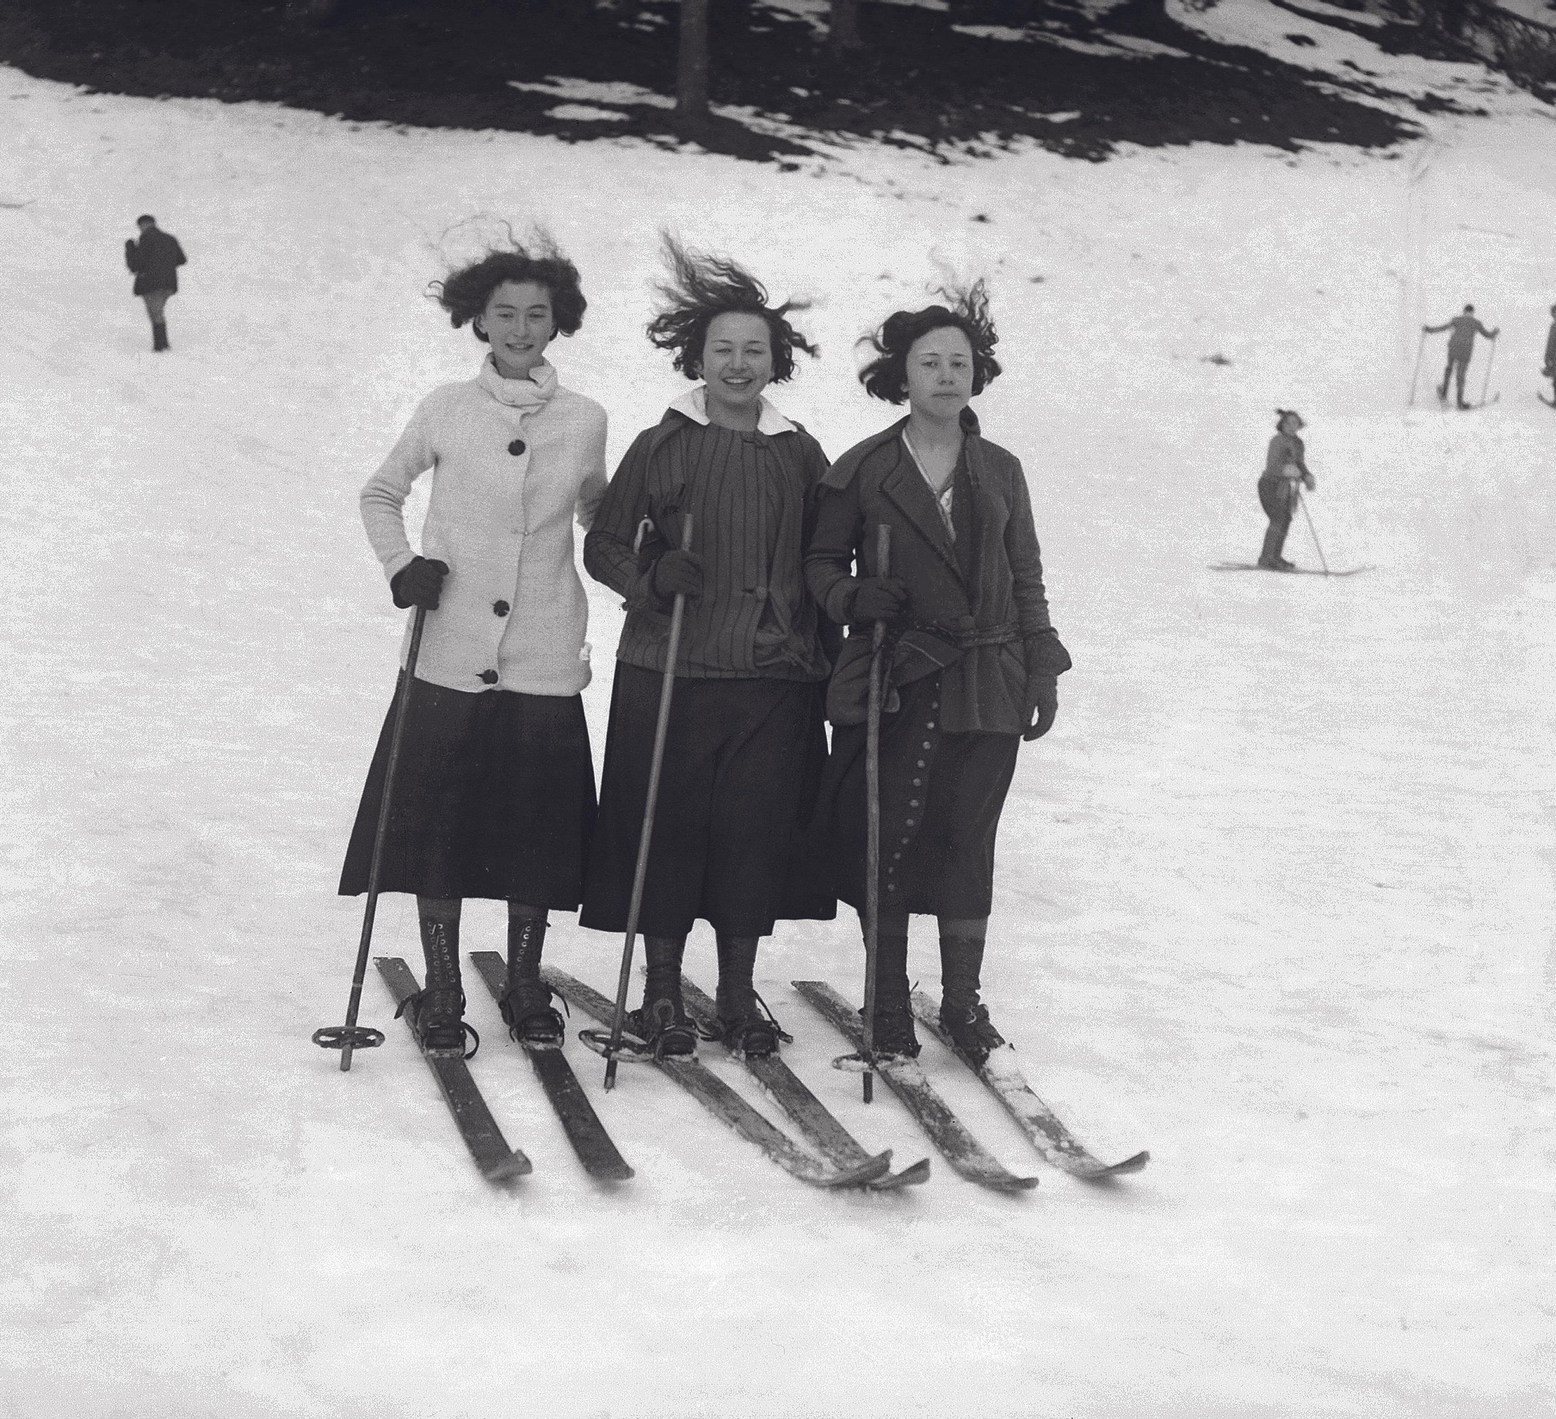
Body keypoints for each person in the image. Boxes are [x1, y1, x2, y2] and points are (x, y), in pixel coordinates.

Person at [344, 235, 609, 1055]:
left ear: (557, 321)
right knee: (441, 822)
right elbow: (382, 492)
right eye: (505, 315)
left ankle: (527, 981)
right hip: (448, 648)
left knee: (537, 822)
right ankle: (445, 982)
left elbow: (599, 518)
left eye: (537, 314)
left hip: (542, 651)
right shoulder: (445, 408)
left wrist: (646, 542)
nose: (521, 328)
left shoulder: (584, 419)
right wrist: (402, 565)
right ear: (480, 322)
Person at [579, 236, 835, 1059]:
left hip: (773, 677)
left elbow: (827, 559)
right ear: (697, 356)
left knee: (751, 836)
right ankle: (660, 992)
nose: (737, 363)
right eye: (722, 349)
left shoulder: (801, 453)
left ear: (776, 361)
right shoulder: (664, 444)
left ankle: (733, 992)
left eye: (753, 350)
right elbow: (605, 545)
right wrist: (653, 578)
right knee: (669, 831)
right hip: (671, 668)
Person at [803, 284, 1071, 1060]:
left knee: (967, 840)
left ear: (975, 374)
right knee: (888, 837)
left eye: (960, 362)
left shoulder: (1002, 469)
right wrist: (853, 592)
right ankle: (886, 1001)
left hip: (989, 679)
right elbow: (819, 563)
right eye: (930, 362)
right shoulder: (863, 468)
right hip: (898, 675)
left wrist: (1042, 663)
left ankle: (961, 1002)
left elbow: (1027, 575)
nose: (947, 375)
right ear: (903, 375)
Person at [1256, 409, 1315, 571]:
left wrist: (1306, 476)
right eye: (1287, 423)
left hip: (1285, 487)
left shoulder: (1298, 443)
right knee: (1278, 518)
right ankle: (1266, 558)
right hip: (1270, 485)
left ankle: (1275, 556)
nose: (1291, 427)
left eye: (1295, 424)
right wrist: (1287, 470)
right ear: (1282, 425)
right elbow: (1273, 465)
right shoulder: (1277, 441)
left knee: (1285, 518)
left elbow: (1300, 464)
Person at [124, 215, 186, 352]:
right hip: (169, 284)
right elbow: (182, 259)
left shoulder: (146, 239)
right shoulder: (170, 239)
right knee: (158, 312)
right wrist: (166, 264)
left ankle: (161, 346)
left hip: (150, 284)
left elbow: (135, 265)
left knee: (155, 314)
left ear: (142, 225)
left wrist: (130, 248)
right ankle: (162, 345)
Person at [1422, 304, 1497, 408]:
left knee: (1449, 370)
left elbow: (1443, 327)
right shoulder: (1476, 323)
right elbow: (1488, 335)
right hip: (1465, 352)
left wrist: (1429, 329)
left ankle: (1444, 393)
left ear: (1464, 311)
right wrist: (1494, 332)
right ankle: (1460, 402)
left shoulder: (1456, 320)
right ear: (1472, 313)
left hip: (1453, 349)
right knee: (1461, 376)